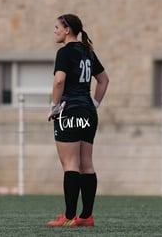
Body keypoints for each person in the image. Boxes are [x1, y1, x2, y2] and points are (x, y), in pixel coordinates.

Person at [47, 14, 109, 227]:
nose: (54, 31)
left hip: (70, 111)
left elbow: (59, 81)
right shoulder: (88, 51)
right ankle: (86, 216)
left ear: (67, 30)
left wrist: (54, 107)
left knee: (71, 164)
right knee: (86, 164)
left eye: (57, 27)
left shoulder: (64, 52)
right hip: (88, 112)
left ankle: (69, 216)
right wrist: (94, 103)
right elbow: (104, 80)